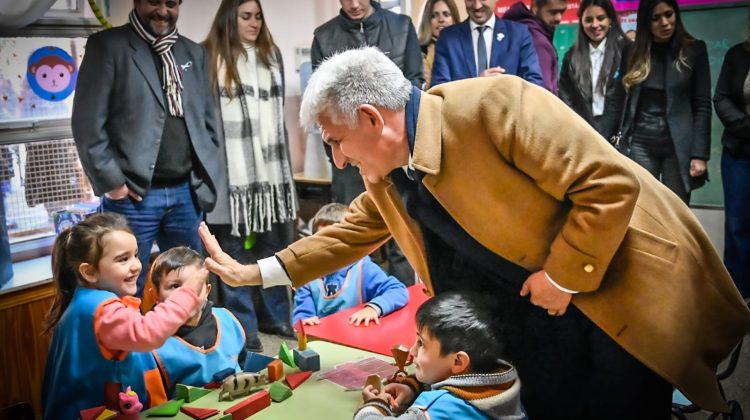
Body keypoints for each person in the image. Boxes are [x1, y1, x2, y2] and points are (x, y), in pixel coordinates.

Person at [199, 47, 750, 419]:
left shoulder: (495, 106)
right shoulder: (390, 167)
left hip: (609, 296)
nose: (338, 159)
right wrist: (257, 272)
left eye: (336, 141)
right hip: (530, 318)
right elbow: (352, 232)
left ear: (371, 118)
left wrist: (562, 276)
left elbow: (607, 185)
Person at [72, 0, 223, 297]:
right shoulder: (108, 46)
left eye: (171, 3)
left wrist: (205, 173)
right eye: (155, 1)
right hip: (132, 198)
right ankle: (130, 345)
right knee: (125, 289)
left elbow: (207, 119)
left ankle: (189, 344)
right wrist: (113, 184)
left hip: (186, 193)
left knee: (191, 283)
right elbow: (87, 123)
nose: (163, 11)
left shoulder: (193, 52)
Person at [41, 213, 205, 419]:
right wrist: (187, 294)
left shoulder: (83, 302)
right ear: (89, 272)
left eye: (136, 254)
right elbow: (147, 334)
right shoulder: (101, 309)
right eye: (123, 259)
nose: (136, 265)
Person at [202, 0, 297, 354]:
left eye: (258, 16)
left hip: (270, 181)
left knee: (272, 251)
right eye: (246, 16)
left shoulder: (270, 56)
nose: (254, 23)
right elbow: (205, 122)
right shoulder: (208, 56)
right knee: (232, 255)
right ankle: (245, 328)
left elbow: (277, 124)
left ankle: (276, 318)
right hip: (231, 181)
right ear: (230, 18)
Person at [311, 0, 419, 286]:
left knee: (404, 234)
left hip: (396, 150)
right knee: (352, 230)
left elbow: (415, 84)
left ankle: (403, 304)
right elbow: (319, 106)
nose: (354, 4)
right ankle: (351, 307)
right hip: (350, 159)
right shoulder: (324, 36)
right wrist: (342, 151)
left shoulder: (401, 27)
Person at [602, 0, 711, 204]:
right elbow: (617, 101)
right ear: (645, 23)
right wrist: (602, 142)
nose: (665, 22)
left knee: (676, 211)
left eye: (668, 14)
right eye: (655, 18)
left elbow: (702, 105)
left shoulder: (694, 50)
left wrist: (700, 154)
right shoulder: (632, 52)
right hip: (641, 143)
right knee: (644, 208)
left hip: (678, 145)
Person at [354, 292, 524, 419]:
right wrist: (413, 388)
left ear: (458, 361)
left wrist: (376, 406)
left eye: (422, 344)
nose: (412, 351)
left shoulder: (434, 408)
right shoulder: (504, 384)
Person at [149, 247, 245, 396]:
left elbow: (245, 365)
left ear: (207, 290)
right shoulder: (150, 345)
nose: (188, 294)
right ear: (155, 294)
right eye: (175, 286)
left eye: (195, 285)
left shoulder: (226, 320)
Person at [293, 203, 408, 327]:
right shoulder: (307, 275)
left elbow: (398, 291)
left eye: (335, 239)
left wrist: (373, 308)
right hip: (320, 341)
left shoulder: (364, 269)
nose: (327, 246)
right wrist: (304, 321)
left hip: (356, 338)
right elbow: (302, 313)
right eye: (321, 239)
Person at [714, 17, 750, 299]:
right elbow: (721, 98)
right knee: (737, 226)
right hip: (739, 152)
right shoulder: (737, 55)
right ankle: (736, 298)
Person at [431, 0, 543, 87]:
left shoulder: (518, 34)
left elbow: (534, 82)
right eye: (470, 0)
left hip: (508, 114)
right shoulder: (448, 38)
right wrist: (477, 86)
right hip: (463, 115)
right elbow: (439, 89)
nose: (477, 6)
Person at [558, 0, 630, 135]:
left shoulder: (626, 51)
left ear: (610, 20)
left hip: (619, 136)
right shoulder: (571, 57)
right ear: (582, 22)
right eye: (588, 20)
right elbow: (566, 98)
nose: (595, 25)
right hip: (583, 134)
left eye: (601, 18)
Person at [504, 0, 567, 94]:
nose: (559, 18)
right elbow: (544, 93)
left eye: (562, 11)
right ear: (535, 8)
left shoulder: (518, 29)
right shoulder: (537, 41)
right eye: (553, 12)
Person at [417, 0, 460, 89]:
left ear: (454, 18)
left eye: (446, 14)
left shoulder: (466, 45)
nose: (441, 19)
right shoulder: (419, 51)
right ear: (427, 21)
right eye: (434, 16)